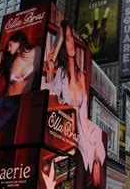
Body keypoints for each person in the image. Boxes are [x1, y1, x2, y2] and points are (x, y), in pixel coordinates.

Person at [45, 20, 105, 188]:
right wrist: (50, 71)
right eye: (68, 38)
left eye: (72, 38)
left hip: (81, 135)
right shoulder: (62, 75)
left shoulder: (81, 74)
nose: (71, 43)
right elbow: (51, 97)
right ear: (63, 43)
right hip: (65, 135)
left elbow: (85, 112)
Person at [0, 31, 41, 98]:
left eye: (10, 45)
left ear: (18, 41)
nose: (8, 49)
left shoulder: (36, 51)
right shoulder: (13, 60)